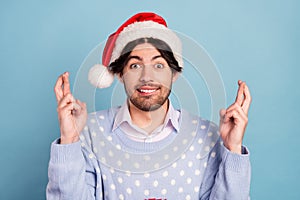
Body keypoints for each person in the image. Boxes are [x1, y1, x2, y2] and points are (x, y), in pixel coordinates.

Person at [47, 12, 252, 200]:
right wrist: (70, 141)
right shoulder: (90, 132)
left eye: (159, 65)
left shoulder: (205, 135)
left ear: (174, 73)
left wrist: (232, 149)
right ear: (120, 74)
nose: (147, 77)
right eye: (135, 65)